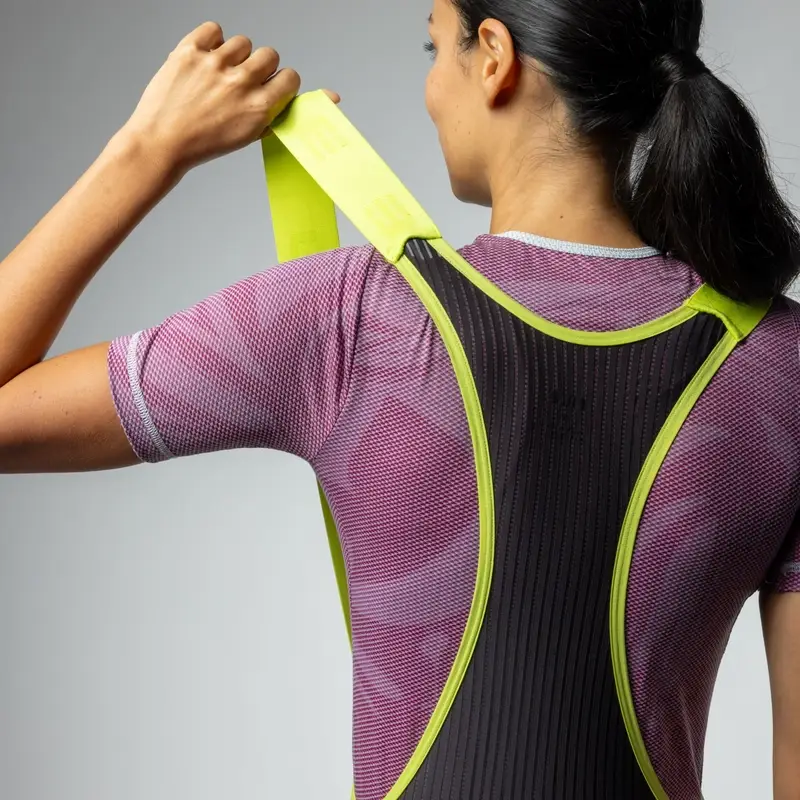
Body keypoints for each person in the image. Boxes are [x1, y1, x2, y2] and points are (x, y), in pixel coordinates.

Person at [1, 0, 799, 797]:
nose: (430, 88)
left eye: (433, 47)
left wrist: (147, 149)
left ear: (494, 56)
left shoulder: (358, 317)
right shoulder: (779, 364)